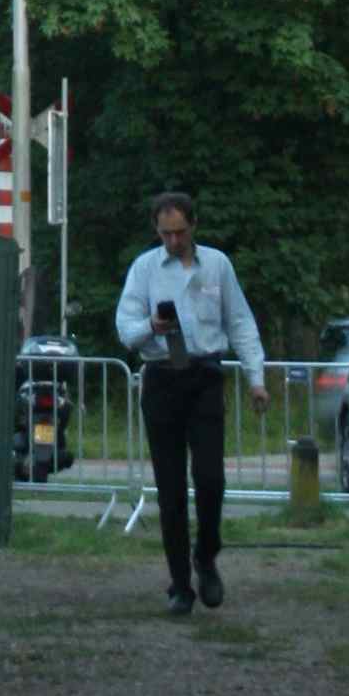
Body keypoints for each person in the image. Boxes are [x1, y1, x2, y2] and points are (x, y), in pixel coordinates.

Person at [116, 186, 267, 615]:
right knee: (170, 489)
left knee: (210, 478)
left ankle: (207, 554)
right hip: (162, 378)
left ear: (193, 227)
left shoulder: (217, 265)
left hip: (204, 375)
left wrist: (256, 378)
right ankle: (180, 583)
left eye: (179, 233)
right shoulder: (144, 269)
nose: (173, 241)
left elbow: (240, 322)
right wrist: (151, 326)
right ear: (156, 231)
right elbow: (125, 330)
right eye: (165, 234)